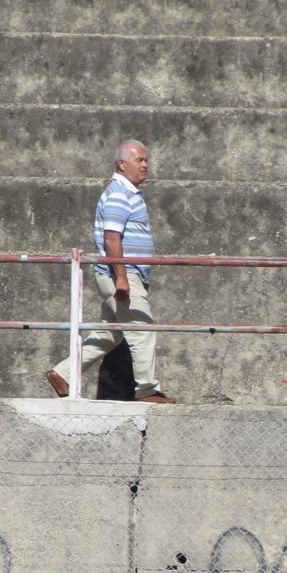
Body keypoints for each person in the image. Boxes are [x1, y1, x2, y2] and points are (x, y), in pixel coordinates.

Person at [46, 139, 174, 403]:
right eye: (139, 160)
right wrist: (123, 277)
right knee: (142, 328)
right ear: (122, 164)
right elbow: (112, 238)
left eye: (146, 160)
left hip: (121, 275)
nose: (145, 165)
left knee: (109, 333)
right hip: (120, 275)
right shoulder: (119, 194)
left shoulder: (127, 193)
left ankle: (63, 373)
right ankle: (147, 390)